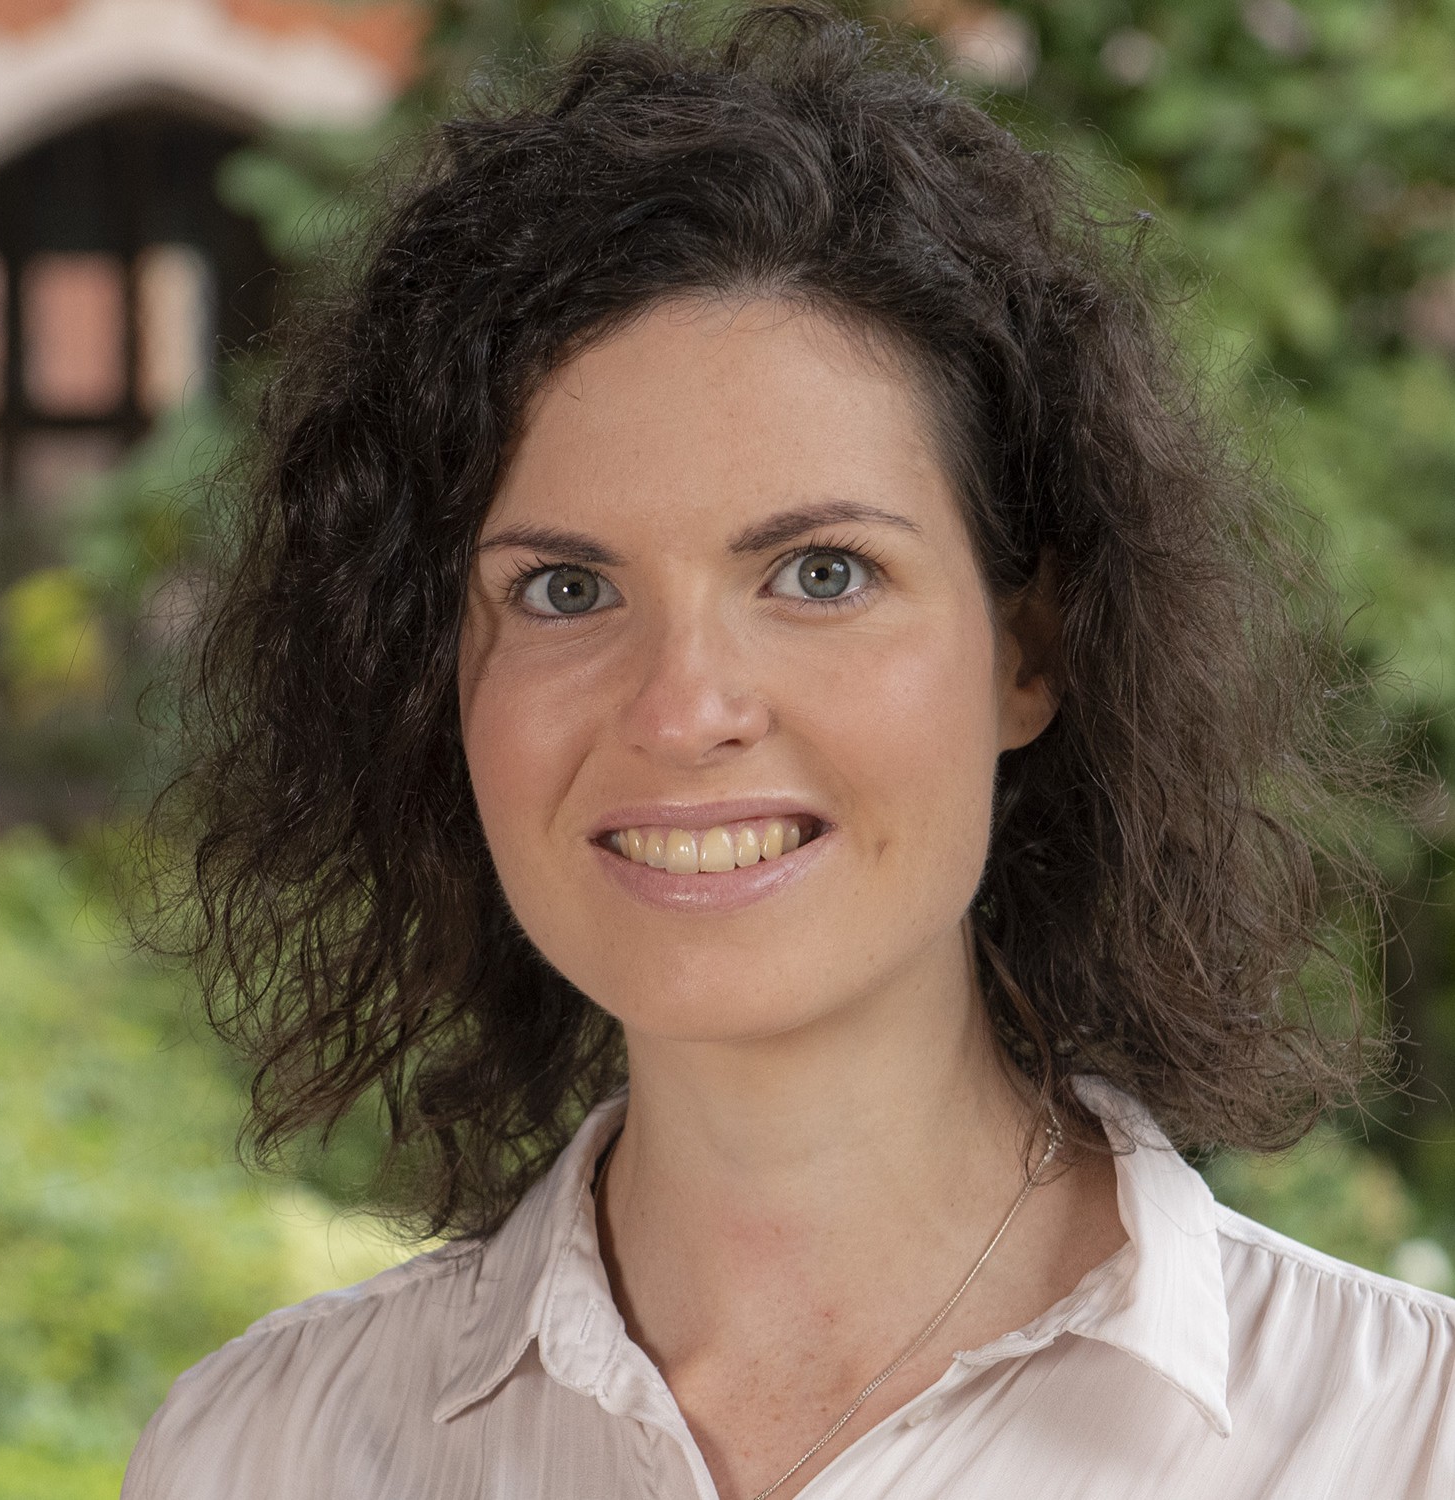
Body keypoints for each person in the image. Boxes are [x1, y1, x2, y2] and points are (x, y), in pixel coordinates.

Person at [121, 3, 1454, 1496]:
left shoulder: (1404, 1440)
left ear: (1030, 651)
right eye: (565, 591)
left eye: (821, 574)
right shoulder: (261, 1454)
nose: (685, 707)